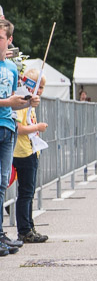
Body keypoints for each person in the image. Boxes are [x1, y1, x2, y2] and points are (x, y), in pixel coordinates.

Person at [0, 19, 39, 256]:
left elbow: (14, 98)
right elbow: (7, 100)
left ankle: (1, 234)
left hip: (8, 126)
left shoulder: (12, 69)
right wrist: (8, 102)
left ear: (9, 40)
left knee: (2, 182)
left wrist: (28, 101)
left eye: (0, 39)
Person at [13, 66, 48, 243]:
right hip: (23, 152)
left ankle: (29, 226)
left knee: (29, 192)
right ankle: (24, 230)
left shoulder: (30, 102)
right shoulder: (23, 101)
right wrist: (38, 127)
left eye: (42, 88)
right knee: (26, 193)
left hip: (31, 150)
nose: (39, 91)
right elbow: (19, 128)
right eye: (37, 87)